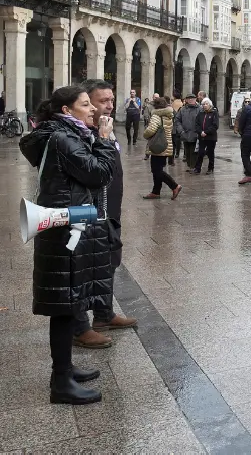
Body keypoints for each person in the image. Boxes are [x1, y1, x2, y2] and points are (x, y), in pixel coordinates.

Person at [19, 85, 116, 405]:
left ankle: (65, 368)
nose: (92, 109)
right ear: (66, 111)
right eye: (85, 104)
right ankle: (60, 381)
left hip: (66, 225)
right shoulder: (64, 139)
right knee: (64, 307)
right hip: (64, 230)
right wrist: (104, 140)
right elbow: (99, 173)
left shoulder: (65, 135)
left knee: (70, 301)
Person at [72, 80, 137, 349]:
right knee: (80, 268)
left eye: (111, 100)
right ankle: (79, 327)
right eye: (102, 101)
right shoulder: (81, 135)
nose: (109, 105)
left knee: (108, 262)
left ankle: (103, 314)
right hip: (88, 212)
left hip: (110, 211)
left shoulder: (106, 130)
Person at [143, 97, 182, 200]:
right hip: (165, 145)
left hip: (157, 145)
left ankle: (174, 186)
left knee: (156, 170)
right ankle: (156, 192)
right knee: (158, 169)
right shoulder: (168, 115)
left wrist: (145, 134)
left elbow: (151, 130)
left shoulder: (156, 115)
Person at [174, 94, 201, 172]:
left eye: (192, 99)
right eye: (189, 99)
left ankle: (194, 167)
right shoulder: (182, 109)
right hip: (185, 133)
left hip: (196, 134)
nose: (190, 100)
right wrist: (181, 131)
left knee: (194, 151)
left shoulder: (200, 109)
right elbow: (177, 120)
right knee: (187, 151)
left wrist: (199, 131)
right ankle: (190, 166)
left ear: (195, 99)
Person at [193, 98, 219, 174]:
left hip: (211, 137)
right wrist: (200, 132)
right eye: (203, 104)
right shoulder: (200, 113)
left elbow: (215, 125)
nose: (205, 105)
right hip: (202, 137)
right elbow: (197, 124)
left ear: (210, 105)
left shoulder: (214, 113)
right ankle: (197, 168)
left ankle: (210, 168)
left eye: (206, 104)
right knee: (200, 152)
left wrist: (206, 132)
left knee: (210, 153)